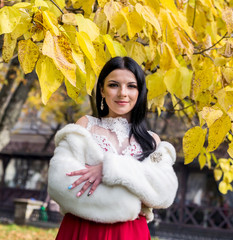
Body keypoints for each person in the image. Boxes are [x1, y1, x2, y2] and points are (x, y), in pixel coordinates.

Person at [48, 56, 178, 240]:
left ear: (140, 92)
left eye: (131, 86)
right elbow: (59, 182)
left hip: (131, 233)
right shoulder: (85, 126)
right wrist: (135, 194)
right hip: (84, 229)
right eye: (114, 85)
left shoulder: (151, 141)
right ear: (102, 90)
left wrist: (108, 169)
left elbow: (164, 192)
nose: (122, 93)